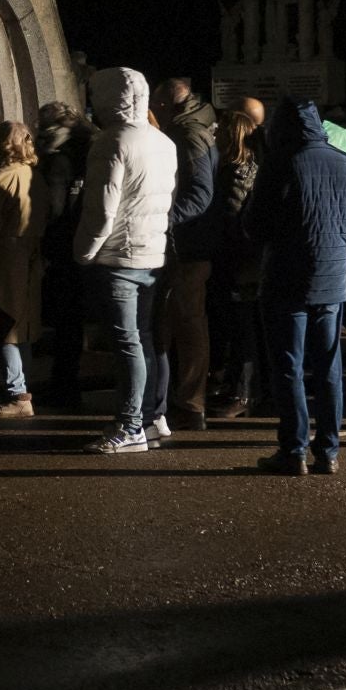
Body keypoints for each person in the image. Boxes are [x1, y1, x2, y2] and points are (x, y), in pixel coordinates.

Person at [243, 98, 346, 475]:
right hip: (333, 279)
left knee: (289, 366)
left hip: (286, 277)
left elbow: (255, 225)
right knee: (329, 365)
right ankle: (328, 450)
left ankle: (293, 449)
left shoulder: (280, 163)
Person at [73, 68, 177, 455]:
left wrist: (83, 253)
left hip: (119, 254)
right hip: (153, 253)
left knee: (126, 343)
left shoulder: (110, 141)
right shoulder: (163, 142)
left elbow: (101, 211)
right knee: (144, 338)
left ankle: (130, 424)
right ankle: (148, 418)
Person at [151, 78, 219, 435]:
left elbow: (200, 194)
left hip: (189, 246)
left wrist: (163, 220)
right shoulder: (193, 127)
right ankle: (183, 402)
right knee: (182, 323)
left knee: (188, 325)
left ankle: (191, 404)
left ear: (168, 105)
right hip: (189, 243)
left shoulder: (189, 134)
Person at [0, 120, 47, 419]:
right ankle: (22, 383)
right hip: (33, 251)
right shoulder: (35, 176)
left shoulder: (0, 177)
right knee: (23, 323)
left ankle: (18, 392)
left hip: (6, 253)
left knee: (3, 322)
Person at [35, 100, 95, 410]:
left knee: (64, 321)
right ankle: (67, 383)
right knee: (73, 321)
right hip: (85, 243)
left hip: (62, 247)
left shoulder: (57, 161)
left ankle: (64, 386)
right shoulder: (89, 151)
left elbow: (54, 209)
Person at [206, 109, 263, 419]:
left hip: (236, 262)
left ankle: (242, 392)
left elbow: (230, 219)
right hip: (245, 260)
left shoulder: (234, 172)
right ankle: (239, 387)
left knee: (240, 328)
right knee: (240, 326)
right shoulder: (252, 166)